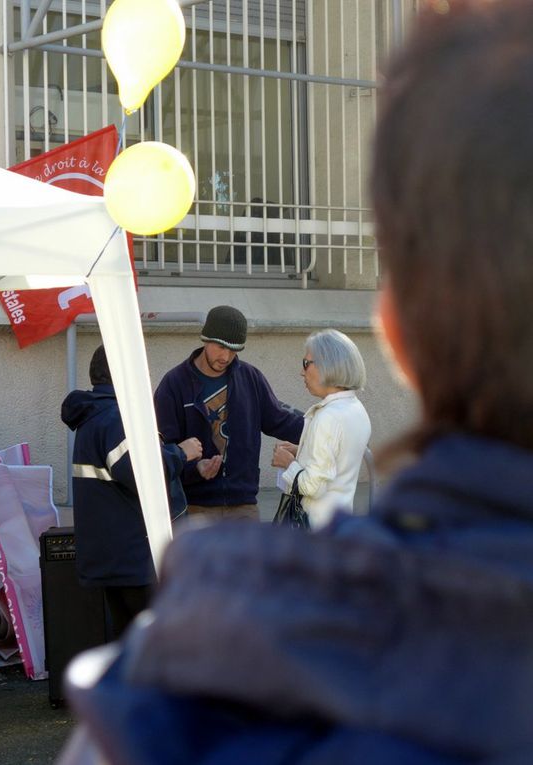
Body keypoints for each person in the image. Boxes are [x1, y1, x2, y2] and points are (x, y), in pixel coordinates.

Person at [59, 1, 533, 762]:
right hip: (205, 515)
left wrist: (295, 439)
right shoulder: (173, 386)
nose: (222, 358)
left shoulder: (181, 691)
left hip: (244, 513)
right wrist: (188, 458)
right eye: (215, 349)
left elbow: (286, 423)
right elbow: (153, 447)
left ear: (398, 333)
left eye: (229, 350)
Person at [60, 344, 202, 639]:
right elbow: (142, 474)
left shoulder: (93, 416)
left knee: (128, 641)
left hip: (111, 557)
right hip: (133, 560)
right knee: (153, 644)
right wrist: (180, 453)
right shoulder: (117, 419)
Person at [153, 305, 304, 521]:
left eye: (234, 350)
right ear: (205, 339)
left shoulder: (250, 377)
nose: (226, 356)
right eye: (221, 347)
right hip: (195, 506)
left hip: (244, 505)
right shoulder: (174, 384)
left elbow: (279, 420)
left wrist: (322, 427)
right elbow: (162, 448)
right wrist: (195, 468)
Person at [272, 329, 371, 528]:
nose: (302, 371)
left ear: (328, 364)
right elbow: (336, 461)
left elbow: (313, 486)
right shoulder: (356, 408)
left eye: (306, 363)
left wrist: (289, 462)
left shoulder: (328, 416)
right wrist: (303, 449)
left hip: (313, 530)